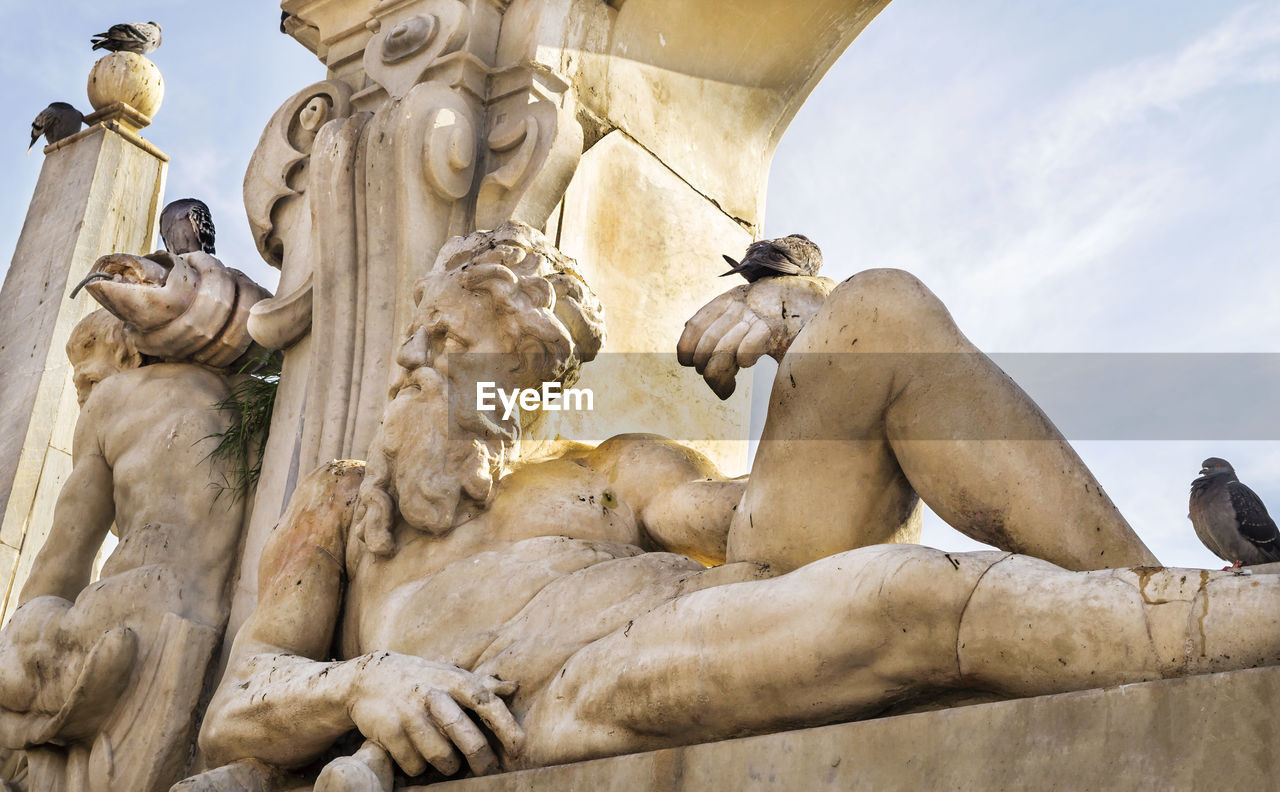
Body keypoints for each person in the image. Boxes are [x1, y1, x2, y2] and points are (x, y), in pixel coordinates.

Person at [194, 223, 1269, 791]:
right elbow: (237, 704)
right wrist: (366, 687)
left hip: (679, 617)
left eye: (524, 370)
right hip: (563, 695)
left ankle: (1161, 598)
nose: (486, 392)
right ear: (420, 346)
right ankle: (1228, 624)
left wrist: (796, 318)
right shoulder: (341, 506)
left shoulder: (606, 462)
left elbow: (747, 527)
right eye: (465, 352)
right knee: (899, 600)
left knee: (877, 308)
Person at [0, 309, 249, 792]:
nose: (85, 399)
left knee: (20, 640)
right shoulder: (248, 398)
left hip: (132, 614)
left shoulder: (114, 402)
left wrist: (19, 636)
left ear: (130, 354)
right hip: (222, 620)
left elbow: (62, 562)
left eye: (88, 382)